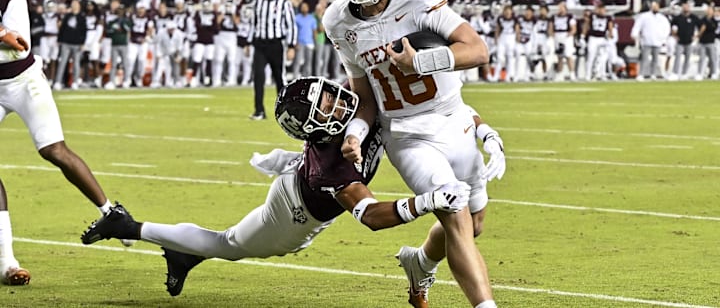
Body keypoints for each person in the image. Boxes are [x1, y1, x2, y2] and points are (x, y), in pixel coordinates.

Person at [78, 77, 501, 302]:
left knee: (222, 243)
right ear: (321, 128)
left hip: (299, 176)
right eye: (328, 107)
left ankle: (182, 256)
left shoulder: (355, 111)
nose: (340, 102)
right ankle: (127, 225)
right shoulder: (331, 166)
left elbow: (437, 106)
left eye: (330, 95)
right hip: (294, 212)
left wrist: (482, 131)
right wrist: (427, 201)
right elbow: (371, 217)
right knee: (227, 244)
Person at [324, 0, 499, 308]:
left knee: (475, 223)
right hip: (406, 135)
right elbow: (365, 98)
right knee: (455, 215)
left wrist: (421, 61)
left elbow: (477, 50)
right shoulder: (340, 22)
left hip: (454, 119)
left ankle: (420, 262)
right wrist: (354, 132)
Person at [0, 0, 132, 286]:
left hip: (24, 79)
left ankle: (110, 212)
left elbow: (19, 45)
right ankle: (7, 262)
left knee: (54, 150)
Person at [246, 0, 297, 120]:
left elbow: (291, 25)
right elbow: (253, 23)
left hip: (276, 44)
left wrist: (291, 46)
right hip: (260, 44)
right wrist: (248, 43)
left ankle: (284, 112)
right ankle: (259, 110)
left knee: (279, 79)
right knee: (258, 78)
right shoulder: (258, 1)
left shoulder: (283, 2)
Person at [630, 1, 671, 81]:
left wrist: (663, 39)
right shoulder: (644, 16)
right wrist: (634, 34)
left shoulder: (662, 18)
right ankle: (641, 74)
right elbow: (638, 25)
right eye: (653, 6)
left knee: (655, 60)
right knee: (644, 59)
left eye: (656, 6)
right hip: (646, 41)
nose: (655, 8)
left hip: (657, 41)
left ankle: (653, 74)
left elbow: (667, 28)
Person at [669, 2, 700, 80]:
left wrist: (696, 36)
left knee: (687, 58)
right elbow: (672, 27)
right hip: (680, 41)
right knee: (677, 58)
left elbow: (701, 26)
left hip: (689, 41)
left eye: (687, 7)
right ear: (682, 8)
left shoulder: (693, 17)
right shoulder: (678, 18)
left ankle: (684, 73)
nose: (686, 8)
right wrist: (675, 36)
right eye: (684, 7)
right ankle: (675, 73)